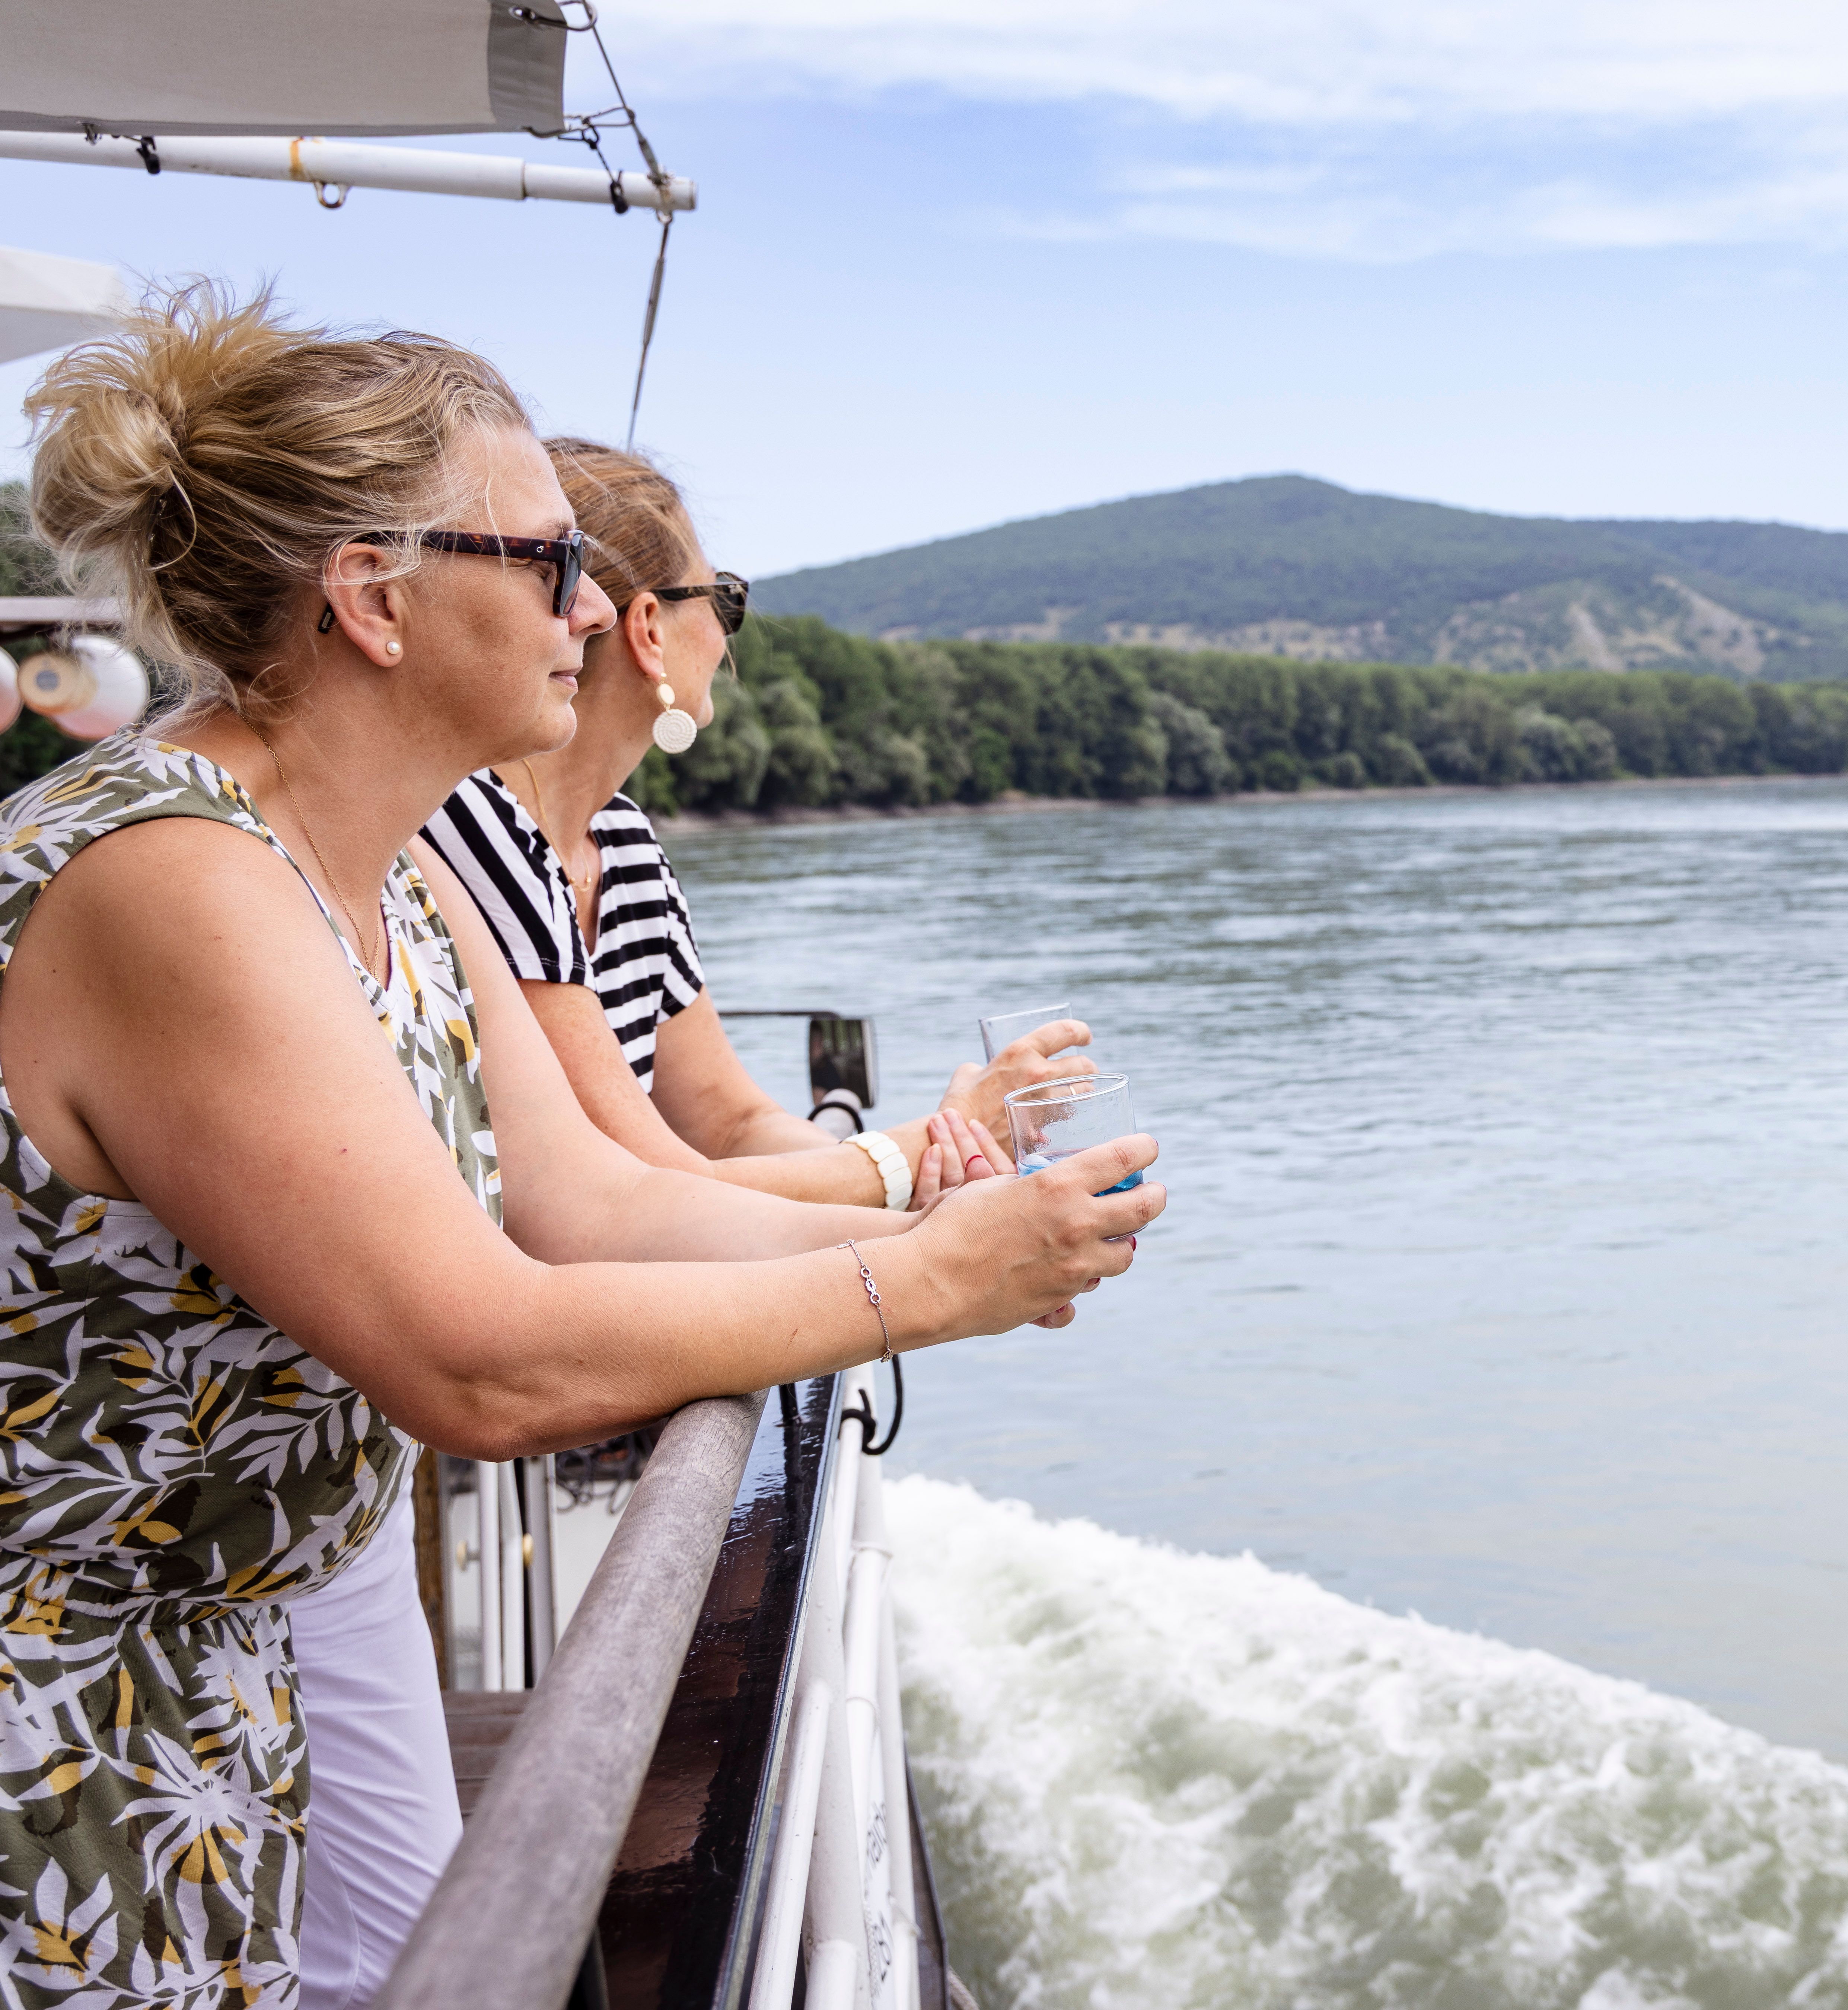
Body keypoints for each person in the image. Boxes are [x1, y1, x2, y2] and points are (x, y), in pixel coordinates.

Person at [0, 285, 1162, 2008]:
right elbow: (481, 1358)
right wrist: (921, 1285)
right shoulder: (175, 879)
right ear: (374, 598)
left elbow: (593, 1203)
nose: (598, 609)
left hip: (207, 1678)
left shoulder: (388, 868)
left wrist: (951, 1226)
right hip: (54, 1714)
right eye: (548, 561)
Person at [421, 436, 1070, 1215]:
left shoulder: (622, 841)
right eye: (724, 599)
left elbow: (731, 1124)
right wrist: (930, 1148)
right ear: (650, 630)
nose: (730, 633)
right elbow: (645, 1181)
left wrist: (931, 1163)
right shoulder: (475, 826)